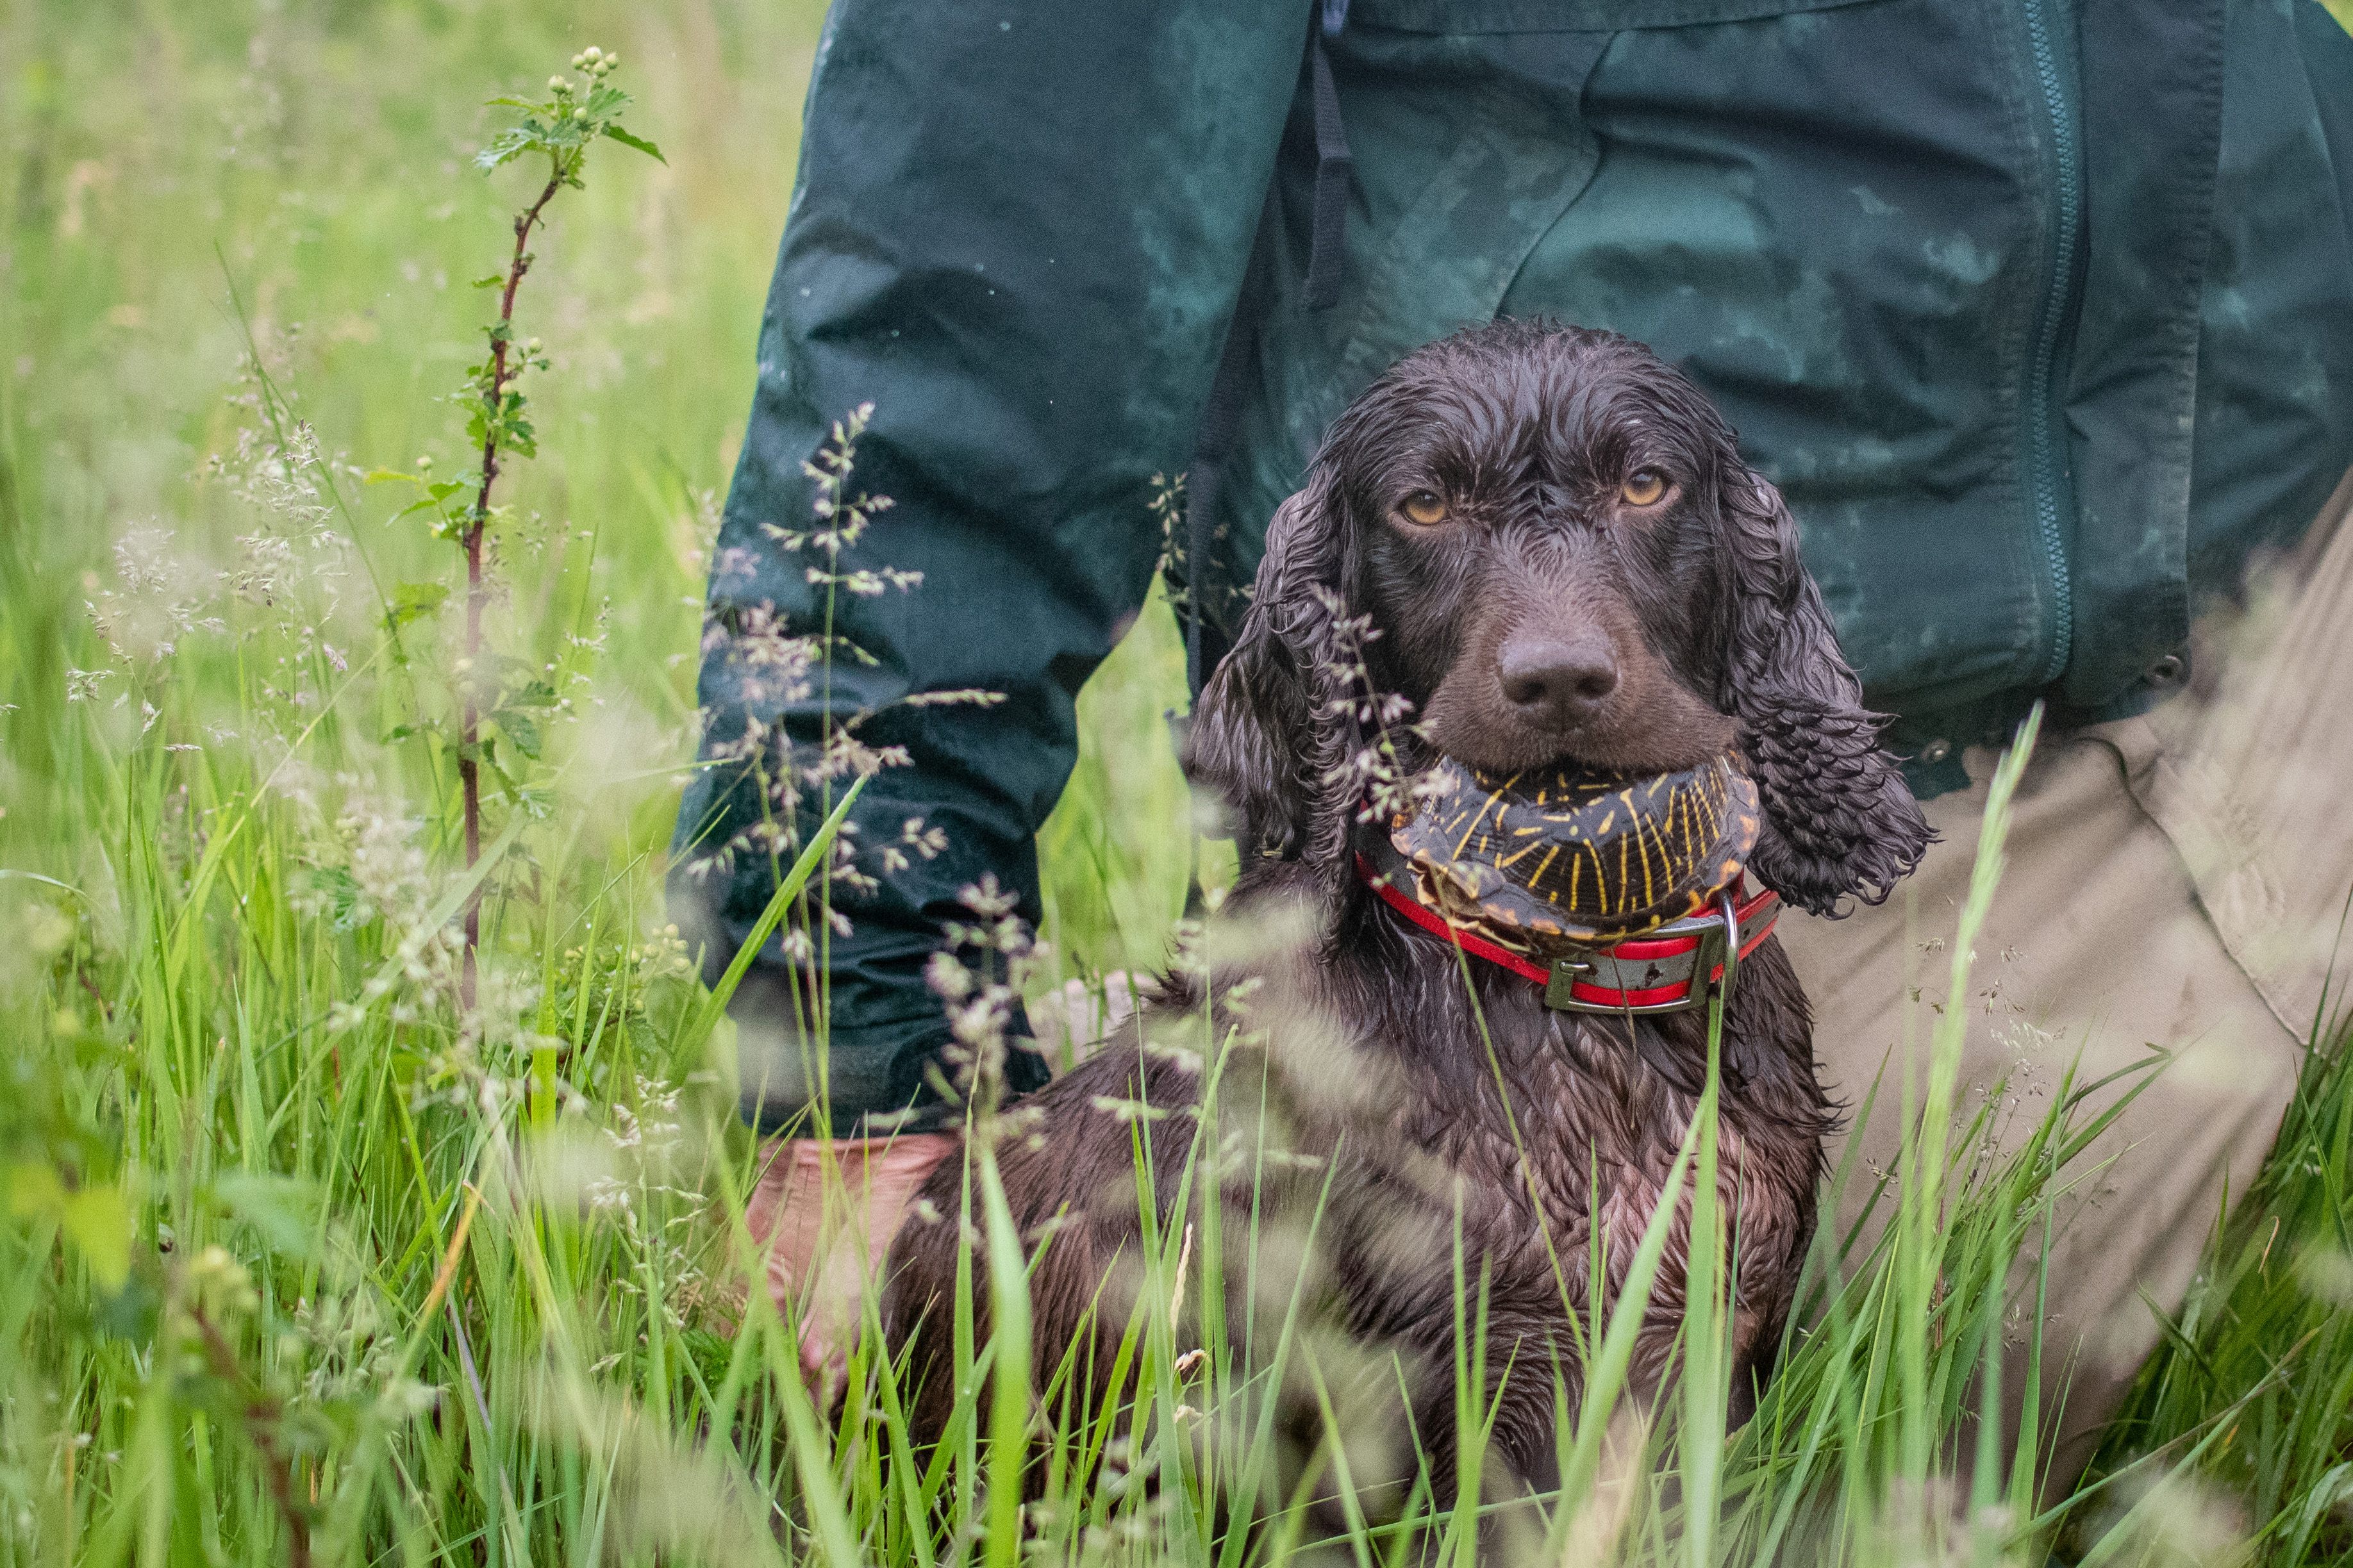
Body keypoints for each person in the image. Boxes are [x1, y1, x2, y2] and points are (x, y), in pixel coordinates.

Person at [672, 0, 2353, 1478]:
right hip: (1718, 829)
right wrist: (859, 1040)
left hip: (2296, 527)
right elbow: (985, 237)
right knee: (1674, 1457)